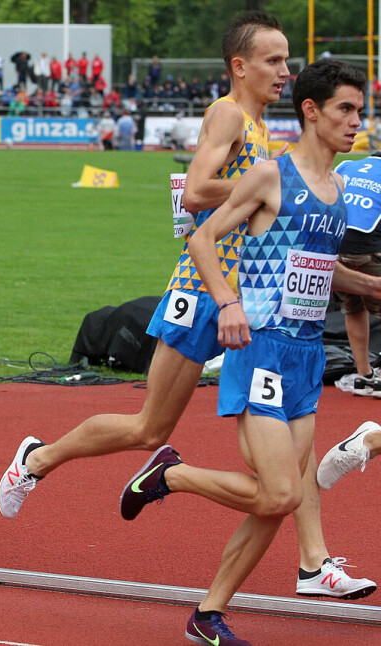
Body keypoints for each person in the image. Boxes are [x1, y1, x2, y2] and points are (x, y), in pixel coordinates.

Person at [0, 10, 376, 611]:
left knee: (292, 444)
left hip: (252, 294)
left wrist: (281, 189)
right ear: (239, 66)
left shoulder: (266, 135)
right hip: (204, 292)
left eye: (286, 61)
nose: (285, 71)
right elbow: (198, 190)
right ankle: (37, 458)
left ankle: (313, 562)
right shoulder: (230, 115)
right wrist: (270, 186)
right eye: (273, 60)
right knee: (150, 428)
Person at [125, 58, 371, 646]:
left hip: (307, 357)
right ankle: (174, 474)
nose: (356, 121)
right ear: (311, 111)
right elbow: (203, 235)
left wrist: (374, 287)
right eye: (345, 109)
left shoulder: (336, 190)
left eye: (360, 110)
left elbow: (319, 268)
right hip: (260, 347)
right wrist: (228, 303)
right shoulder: (269, 176)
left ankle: (206, 614)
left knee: (271, 502)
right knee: (284, 492)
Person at [331, 152, 381, 396]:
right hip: (370, 247)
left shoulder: (347, 165)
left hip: (336, 248)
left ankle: (365, 375)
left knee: (354, 308)